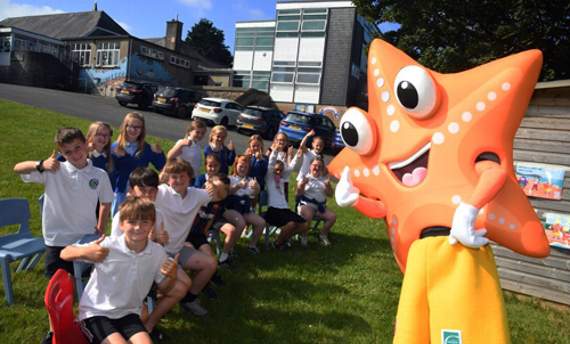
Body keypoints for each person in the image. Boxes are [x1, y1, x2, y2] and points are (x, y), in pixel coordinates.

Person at [61, 197, 179, 344]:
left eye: (144, 222)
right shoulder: (108, 245)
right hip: (96, 312)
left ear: (152, 225)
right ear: (121, 224)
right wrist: (85, 252)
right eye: (132, 222)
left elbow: (165, 289)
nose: (138, 227)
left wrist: (172, 277)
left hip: (129, 313)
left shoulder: (157, 253)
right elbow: (64, 253)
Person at [13, 127, 113, 277]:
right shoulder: (53, 170)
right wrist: (40, 165)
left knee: (84, 279)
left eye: (77, 147)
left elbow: (106, 203)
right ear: (62, 153)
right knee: (56, 282)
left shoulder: (100, 175)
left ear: (86, 144)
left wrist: (100, 226)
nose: (75, 154)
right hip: (57, 238)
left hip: (85, 237)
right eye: (68, 152)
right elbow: (17, 168)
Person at [110, 168, 189, 337]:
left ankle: (149, 325)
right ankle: (141, 316)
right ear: (131, 191)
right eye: (142, 190)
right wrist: (151, 239)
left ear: (157, 192)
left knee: (182, 287)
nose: (148, 195)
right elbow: (115, 251)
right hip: (127, 271)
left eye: (152, 191)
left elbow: (158, 247)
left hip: (149, 265)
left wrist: (160, 239)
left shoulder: (157, 213)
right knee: (177, 288)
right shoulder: (122, 217)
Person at [155, 158, 217, 316]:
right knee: (185, 282)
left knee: (210, 264)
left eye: (183, 176)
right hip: (159, 250)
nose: (178, 180)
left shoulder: (196, 195)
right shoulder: (160, 192)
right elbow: (138, 195)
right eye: (174, 176)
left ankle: (188, 300)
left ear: (190, 178)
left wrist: (215, 187)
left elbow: (219, 195)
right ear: (168, 178)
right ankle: (155, 303)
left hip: (179, 248)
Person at [110, 112, 165, 215]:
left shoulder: (147, 148)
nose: (134, 130)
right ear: (125, 127)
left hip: (140, 192)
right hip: (120, 192)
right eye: (131, 126)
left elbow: (163, 166)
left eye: (138, 127)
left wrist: (159, 153)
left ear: (142, 129)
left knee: (138, 218)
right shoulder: (115, 147)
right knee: (119, 219)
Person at [192, 155, 240, 267]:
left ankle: (224, 257)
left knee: (232, 230)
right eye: (210, 166)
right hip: (201, 218)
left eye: (215, 166)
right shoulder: (201, 180)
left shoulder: (223, 180)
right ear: (205, 166)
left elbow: (221, 204)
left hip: (215, 216)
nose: (213, 168)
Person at [265, 154, 308, 249]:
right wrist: (275, 149)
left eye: (280, 170)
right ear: (272, 170)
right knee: (291, 224)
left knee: (304, 225)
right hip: (273, 210)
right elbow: (271, 163)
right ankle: (277, 243)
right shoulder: (269, 178)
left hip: (285, 210)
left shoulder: (282, 181)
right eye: (276, 170)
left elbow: (290, 168)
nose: (278, 172)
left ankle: (284, 239)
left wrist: (297, 156)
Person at [226, 155, 266, 254]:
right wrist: (238, 186)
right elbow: (226, 193)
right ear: (235, 166)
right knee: (241, 223)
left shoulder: (250, 180)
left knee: (261, 222)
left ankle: (252, 245)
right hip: (231, 208)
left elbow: (253, 197)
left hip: (244, 209)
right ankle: (230, 247)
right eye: (241, 166)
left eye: (246, 167)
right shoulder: (230, 179)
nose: (243, 169)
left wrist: (257, 189)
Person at [296, 157, 336, 246]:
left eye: (320, 166)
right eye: (315, 165)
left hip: (320, 207)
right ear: (310, 166)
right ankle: (303, 235)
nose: (317, 168)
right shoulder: (305, 178)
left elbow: (330, 195)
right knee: (308, 215)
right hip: (306, 205)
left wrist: (328, 186)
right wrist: (302, 184)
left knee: (332, 217)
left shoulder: (324, 180)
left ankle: (323, 234)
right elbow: (298, 194)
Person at [268, 132, 299, 202]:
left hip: (284, 182)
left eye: (283, 140)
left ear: (286, 142)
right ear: (275, 140)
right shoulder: (272, 151)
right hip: (272, 181)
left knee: (283, 203)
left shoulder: (287, 154)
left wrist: (290, 156)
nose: (281, 142)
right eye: (279, 140)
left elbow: (289, 167)